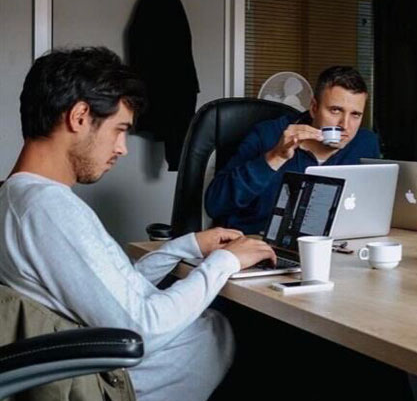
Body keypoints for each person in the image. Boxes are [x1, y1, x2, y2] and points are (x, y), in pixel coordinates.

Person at [0, 47, 275, 401]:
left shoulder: (15, 196)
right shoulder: (49, 208)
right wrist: (227, 262)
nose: (122, 148)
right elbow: (141, 326)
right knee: (242, 334)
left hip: (96, 361)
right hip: (109, 386)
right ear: (80, 116)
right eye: (119, 130)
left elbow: (110, 290)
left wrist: (187, 246)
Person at [205, 66, 380, 234]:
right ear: (313, 108)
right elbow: (215, 205)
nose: (345, 125)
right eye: (335, 110)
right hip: (256, 244)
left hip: (332, 245)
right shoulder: (267, 134)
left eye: (355, 115)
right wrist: (276, 156)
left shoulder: (365, 144)